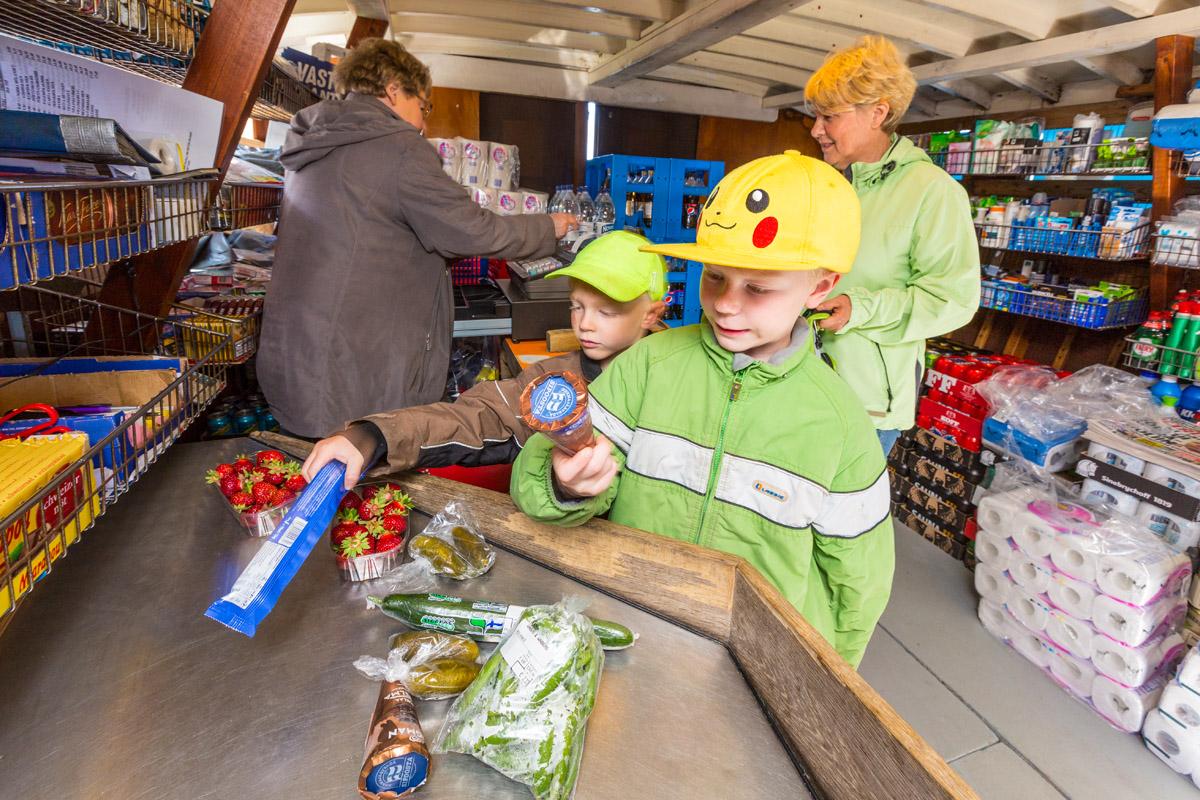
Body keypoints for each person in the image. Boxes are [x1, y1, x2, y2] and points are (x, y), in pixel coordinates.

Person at [510, 152, 893, 668]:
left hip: (748, 660)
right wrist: (565, 486)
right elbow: (538, 472)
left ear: (820, 287)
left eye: (757, 286)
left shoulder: (841, 424)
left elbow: (857, 584)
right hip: (627, 625)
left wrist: (823, 674)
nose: (727, 304)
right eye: (714, 278)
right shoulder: (649, 364)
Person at [257, 38, 577, 438]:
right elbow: (471, 228)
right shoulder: (398, 147)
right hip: (354, 370)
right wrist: (549, 228)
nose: (424, 123)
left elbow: (374, 233)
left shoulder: (318, 142)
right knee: (366, 481)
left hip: (300, 358)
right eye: (423, 105)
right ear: (393, 89)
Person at [300, 231, 667, 489]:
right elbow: (476, 416)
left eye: (605, 311)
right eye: (576, 306)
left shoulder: (684, 379)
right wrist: (374, 435)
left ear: (651, 314)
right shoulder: (556, 382)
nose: (584, 324)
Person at [805, 36, 980, 456]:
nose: (816, 130)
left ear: (877, 113)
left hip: (864, 404)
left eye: (828, 116)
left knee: (835, 517)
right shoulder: (827, 183)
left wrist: (859, 309)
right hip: (799, 381)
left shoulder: (932, 192)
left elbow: (954, 299)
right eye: (814, 116)